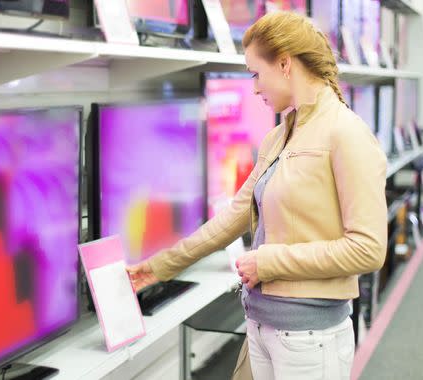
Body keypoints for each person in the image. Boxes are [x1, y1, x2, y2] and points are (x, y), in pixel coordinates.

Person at [127, 11, 387, 380]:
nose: (254, 88)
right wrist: (157, 268)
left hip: (309, 339)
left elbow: (368, 248)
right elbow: (233, 217)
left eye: (255, 73)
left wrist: (269, 262)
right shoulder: (279, 136)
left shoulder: (346, 134)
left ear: (284, 64)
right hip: (262, 326)